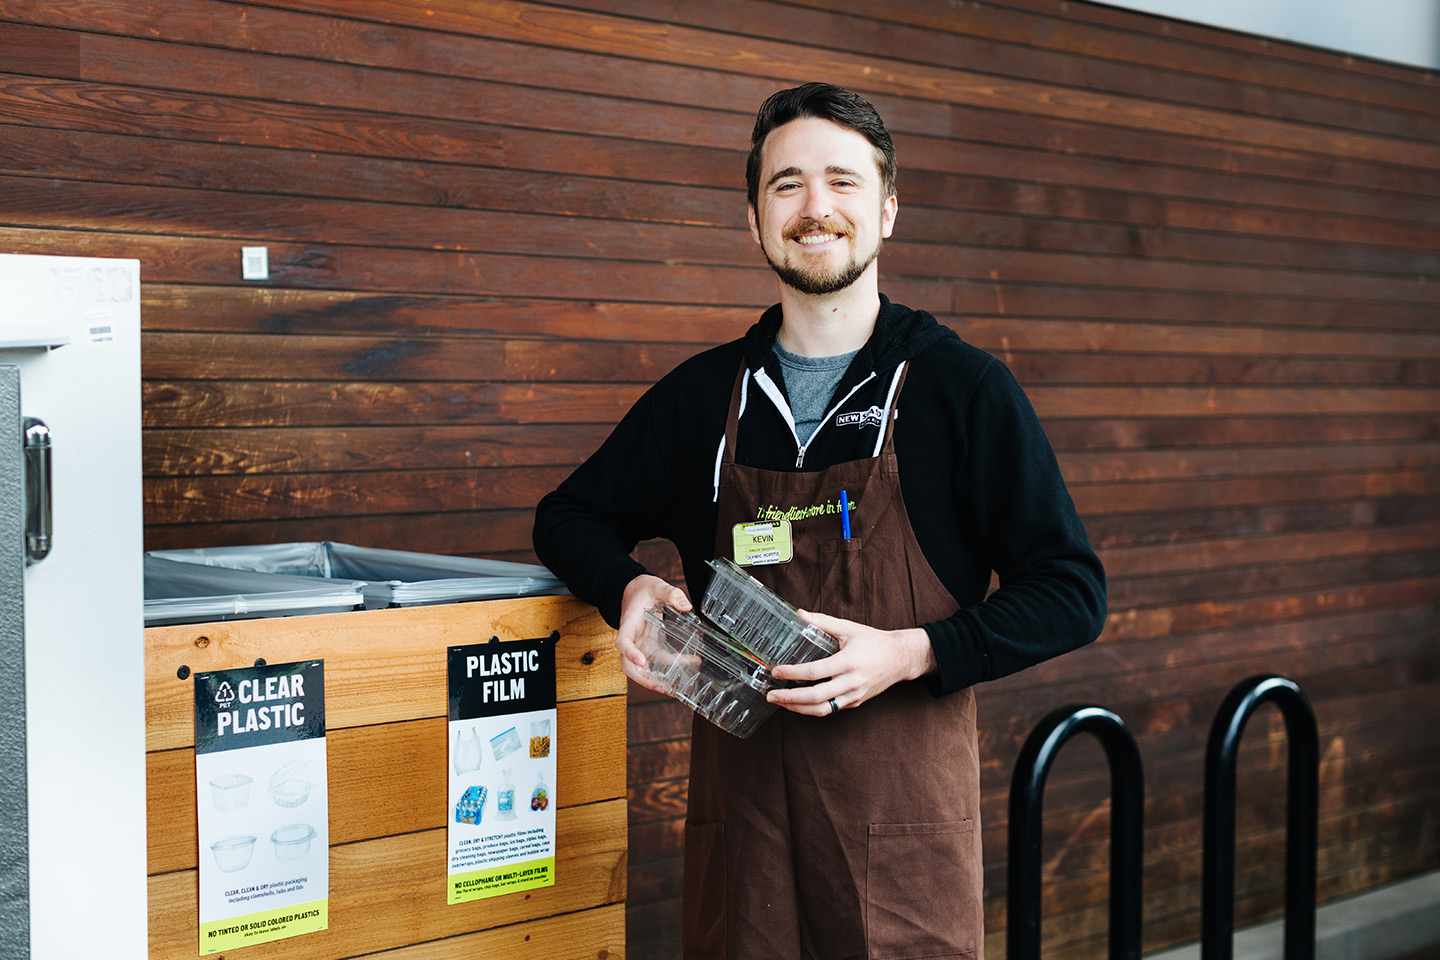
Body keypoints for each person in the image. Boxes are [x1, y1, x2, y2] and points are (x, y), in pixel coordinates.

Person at [534, 82, 1106, 960]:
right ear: (754, 219)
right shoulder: (703, 399)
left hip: (900, 836)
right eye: (786, 184)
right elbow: (567, 517)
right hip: (744, 837)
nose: (815, 208)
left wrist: (914, 652)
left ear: (886, 212)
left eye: (843, 181)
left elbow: (1071, 591)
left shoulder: (962, 391)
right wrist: (629, 586)